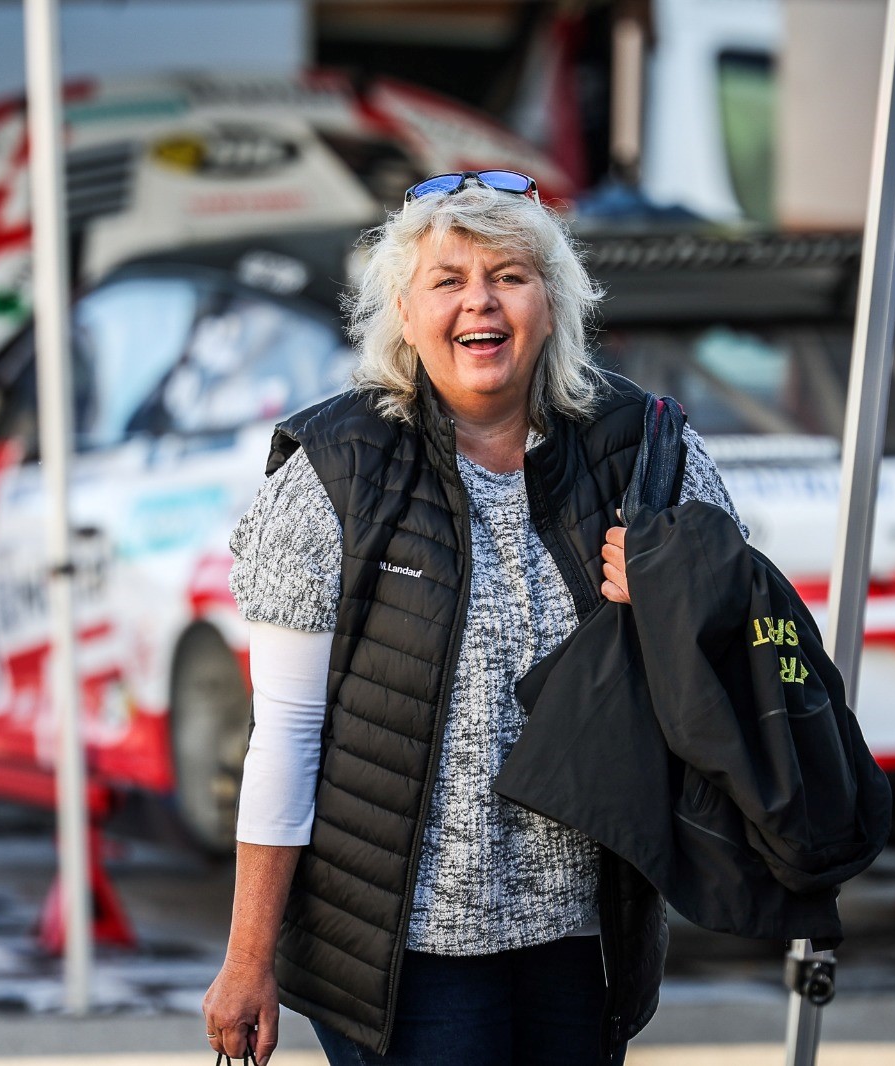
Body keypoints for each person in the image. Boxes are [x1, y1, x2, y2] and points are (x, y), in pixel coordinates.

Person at [203, 170, 748, 1064]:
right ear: (404, 313)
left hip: (584, 939)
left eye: (510, 275)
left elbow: (734, 642)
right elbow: (289, 732)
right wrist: (246, 958)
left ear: (553, 302)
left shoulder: (642, 447)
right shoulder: (337, 471)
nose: (479, 304)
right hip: (401, 951)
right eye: (448, 280)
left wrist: (669, 596)